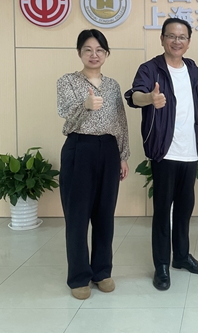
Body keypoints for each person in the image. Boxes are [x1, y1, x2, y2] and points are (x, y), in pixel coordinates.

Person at [125, 17, 198, 291]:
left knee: (185, 208)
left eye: (182, 37)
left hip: (190, 151)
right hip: (164, 150)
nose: (177, 41)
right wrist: (150, 98)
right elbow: (134, 96)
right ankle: (161, 265)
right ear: (162, 39)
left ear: (188, 41)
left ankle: (182, 257)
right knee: (163, 210)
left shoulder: (193, 70)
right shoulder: (150, 68)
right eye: (171, 36)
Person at [57, 29, 130, 300]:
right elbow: (66, 116)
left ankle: (102, 271)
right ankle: (78, 277)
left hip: (109, 150)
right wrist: (85, 106)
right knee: (77, 216)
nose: (94, 54)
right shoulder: (67, 81)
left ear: (106, 54)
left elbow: (120, 122)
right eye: (88, 49)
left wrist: (123, 155)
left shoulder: (112, 86)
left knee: (104, 214)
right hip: (79, 148)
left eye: (99, 50)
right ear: (79, 53)